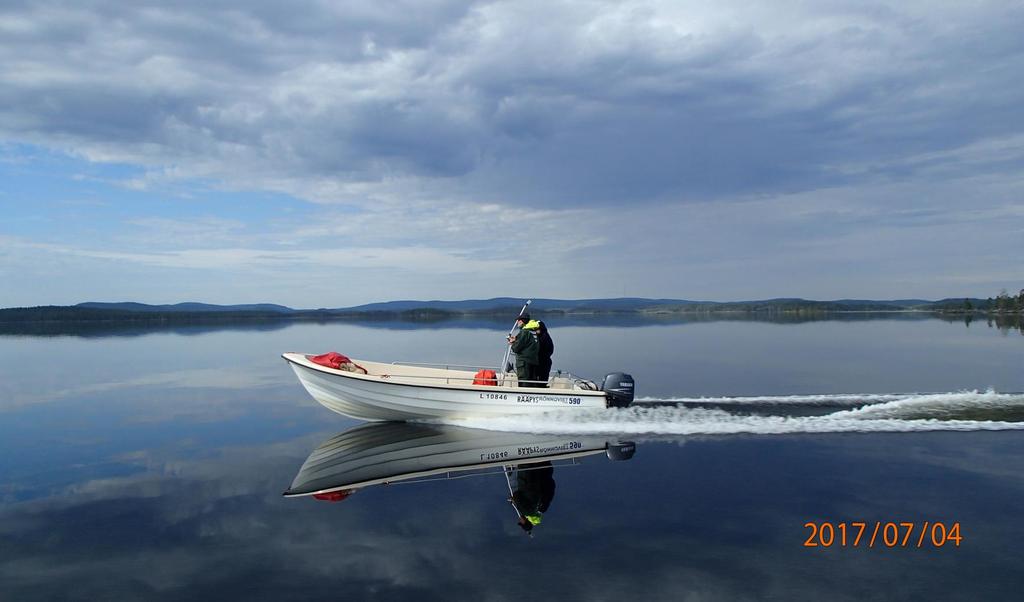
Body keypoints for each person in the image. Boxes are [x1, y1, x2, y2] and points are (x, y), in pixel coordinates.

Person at [510, 461, 556, 534]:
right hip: (525, 477)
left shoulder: (540, 509)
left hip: (539, 473)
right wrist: (513, 500)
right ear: (525, 522)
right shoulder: (527, 512)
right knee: (525, 459)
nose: (519, 520)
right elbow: (516, 495)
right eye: (521, 522)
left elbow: (551, 489)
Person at [507, 313, 540, 387]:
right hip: (533, 361)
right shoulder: (533, 332)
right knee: (532, 382)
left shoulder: (524, 332)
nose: (517, 322)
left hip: (524, 363)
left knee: (524, 383)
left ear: (521, 321)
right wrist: (516, 340)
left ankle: (522, 397)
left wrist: (512, 343)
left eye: (518, 321)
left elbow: (516, 348)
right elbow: (528, 344)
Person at [536, 321, 554, 387]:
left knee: (542, 378)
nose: (535, 330)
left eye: (537, 329)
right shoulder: (545, 336)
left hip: (543, 361)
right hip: (545, 360)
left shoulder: (543, 337)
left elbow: (549, 350)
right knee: (543, 378)